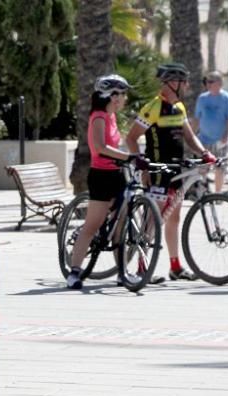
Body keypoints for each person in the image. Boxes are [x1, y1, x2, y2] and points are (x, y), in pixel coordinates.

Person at [125, 62, 216, 282]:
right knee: (153, 220)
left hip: (176, 168)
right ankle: (141, 267)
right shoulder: (153, 107)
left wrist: (204, 152)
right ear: (172, 83)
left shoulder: (180, 107)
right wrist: (141, 162)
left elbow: (188, 136)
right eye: (183, 82)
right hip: (157, 169)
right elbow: (131, 137)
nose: (186, 86)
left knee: (174, 218)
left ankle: (175, 266)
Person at [66, 74, 146, 289]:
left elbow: (117, 147)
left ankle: (122, 273)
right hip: (101, 175)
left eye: (123, 94)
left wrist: (133, 158)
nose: (123, 98)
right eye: (119, 94)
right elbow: (100, 147)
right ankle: (74, 272)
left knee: (121, 225)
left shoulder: (111, 117)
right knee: (92, 225)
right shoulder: (99, 116)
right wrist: (128, 157)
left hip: (118, 174)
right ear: (109, 95)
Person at [192, 70, 228, 193]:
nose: (208, 84)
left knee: (220, 167)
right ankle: (203, 192)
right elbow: (197, 118)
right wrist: (192, 135)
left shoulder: (227, 98)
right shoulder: (202, 99)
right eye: (206, 81)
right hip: (204, 139)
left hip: (220, 139)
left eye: (211, 81)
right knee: (202, 167)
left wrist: (226, 135)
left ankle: (218, 193)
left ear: (219, 83)